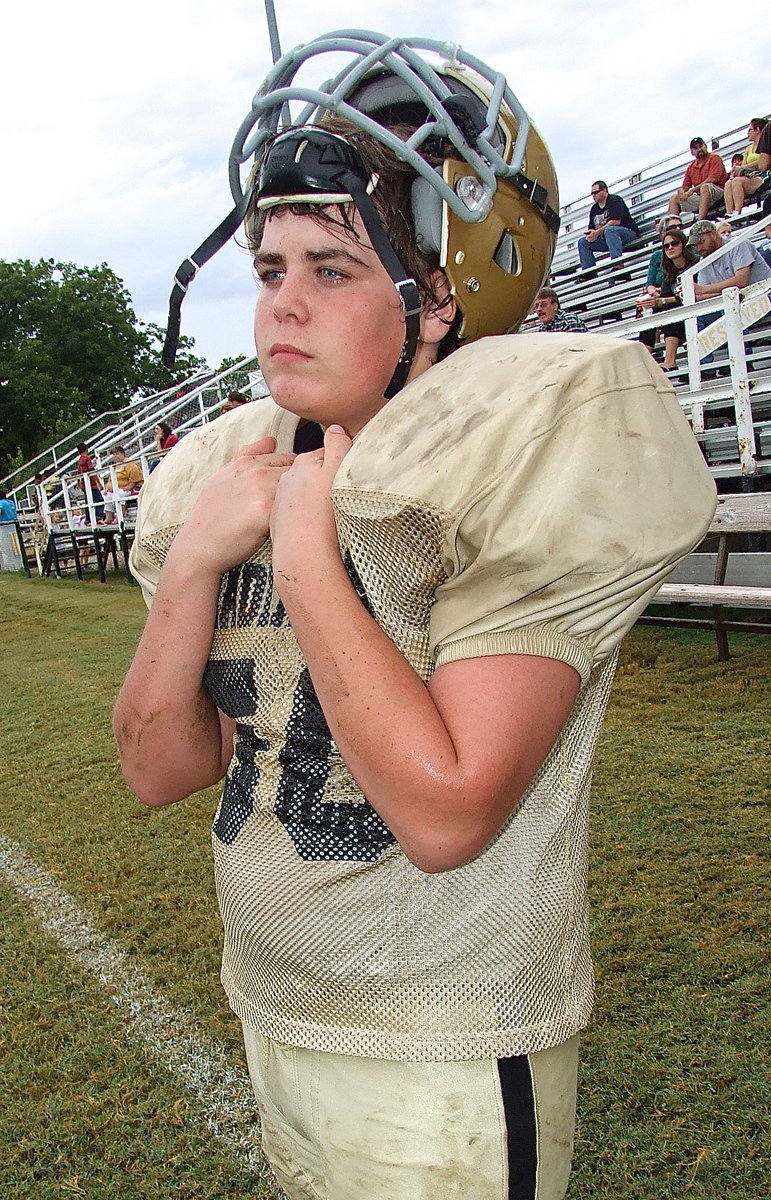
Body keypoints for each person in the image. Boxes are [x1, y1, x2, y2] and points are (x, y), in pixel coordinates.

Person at [114, 31, 716, 1200]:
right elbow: (160, 768)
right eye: (270, 267)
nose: (283, 306)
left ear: (441, 293)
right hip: (275, 1003)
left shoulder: (515, 440)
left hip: (442, 1042)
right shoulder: (228, 475)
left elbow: (447, 812)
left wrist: (306, 561)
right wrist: (194, 570)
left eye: (331, 271)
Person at [639, 229, 698, 371]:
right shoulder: (668, 272)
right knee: (649, 307)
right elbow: (665, 297)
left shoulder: (696, 264)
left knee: (669, 308)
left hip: (694, 313)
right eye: (666, 246)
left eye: (674, 243)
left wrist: (662, 301)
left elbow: (692, 294)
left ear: (683, 244)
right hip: (679, 315)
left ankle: (670, 360)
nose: (670, 248)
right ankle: (644, 359)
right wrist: (653, 301)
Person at [689, 219, 771, 299]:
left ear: (713, 234)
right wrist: (725, 292)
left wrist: (704, 289)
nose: (699, 248)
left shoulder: (738, 244)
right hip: (742, 303)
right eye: (696, 245)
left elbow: (741, 280)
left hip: (765, 295)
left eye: (701, 242)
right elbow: (700, 296)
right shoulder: (704, 259)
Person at [638, 215, 684, 353]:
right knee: (646, 304)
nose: (678, 229)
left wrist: (662, 298)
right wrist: (653, 293)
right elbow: (650, 283)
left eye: (680, 226)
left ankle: (669, 360)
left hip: (678, 297)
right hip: (663, 293)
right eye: (673, 227)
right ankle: (646, 355)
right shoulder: (659, 257)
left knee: (666, 307)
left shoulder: (691, 252)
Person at [577, 180, 640, 270]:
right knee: (582, 242)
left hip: (627, 234)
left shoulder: (615, 200)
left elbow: (616, 221)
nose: (593, 195)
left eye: (596, 192)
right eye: (592, 194)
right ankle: (588, 273)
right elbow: (592, 229)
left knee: (610, 230)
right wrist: (590, 234)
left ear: (604, 190)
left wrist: (597, 232)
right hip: (607, 240)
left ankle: (618, 264)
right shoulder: (594, 209)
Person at [668, 137, 728, 222]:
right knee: (674, 198)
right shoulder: (691, 167)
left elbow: (713, 179)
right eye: (696, 148)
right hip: (702, 197)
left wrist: (692, 191)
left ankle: (700, 222)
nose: (699, 149)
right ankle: (672, 227)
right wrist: (681, 193)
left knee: (705, 187)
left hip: (719, 193)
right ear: (692, 152)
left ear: (705, 146)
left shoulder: (714, 158)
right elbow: (685, 186)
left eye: (701, 146)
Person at [724, 119, 770, 215]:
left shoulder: (766, 144)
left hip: (762, 175)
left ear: (757, 129)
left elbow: (763, 162)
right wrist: (737, 169)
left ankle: (737, 211)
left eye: (750, 130)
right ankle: (729, 214)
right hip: (750, 176)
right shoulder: (748, 149)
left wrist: (743, 168)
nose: (748, 133)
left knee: (737, 181)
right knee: (728, 183)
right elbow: (744, 167)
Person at [102, 447, 144, 525]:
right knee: (106, 495)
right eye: (113, 454)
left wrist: (130, 486)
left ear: (122, 453)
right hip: (115, 489)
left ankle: (119, 517)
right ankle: (109, 517)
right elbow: (110, 480)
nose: (115, 456)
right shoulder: (115, 466)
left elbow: (135, 476)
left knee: (119, 494)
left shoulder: (129, 463)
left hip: (128, 489)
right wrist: (106, 488)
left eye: (117, 454)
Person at [75, 442, 104, 522]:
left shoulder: (80, 460)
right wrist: (99, 483)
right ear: (87, 449)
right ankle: (98, 517)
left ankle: (88, 519)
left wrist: (78, 483)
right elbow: (92, 471)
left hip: (84, 484)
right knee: (100, 500)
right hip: (91, 484)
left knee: (88, 501)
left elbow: (78, 472)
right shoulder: (87, 459)